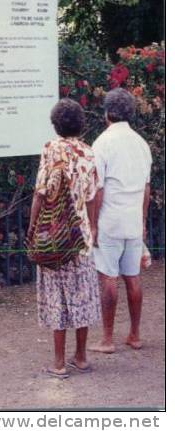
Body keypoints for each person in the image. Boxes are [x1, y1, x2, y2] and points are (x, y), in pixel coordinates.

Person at [30, 98, 100, 378]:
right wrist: (92, 228)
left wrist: (32, 225)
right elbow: (93, 196)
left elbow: (40, 192)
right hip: (79, 235)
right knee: (80, 295)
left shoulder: (51, 148)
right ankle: (80, 357)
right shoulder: (89, 152)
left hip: (54, 234)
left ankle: (58, 363)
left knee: (57, 295)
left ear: (55, 123)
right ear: (81, 123)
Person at [89, 88, 152, 353]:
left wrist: (92, 224)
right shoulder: (141, 143)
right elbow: (147, 188)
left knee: (108, 278)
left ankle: (106, 339)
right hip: (133, 219)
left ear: (107, 114)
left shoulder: (102, 143)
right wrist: (143, 219)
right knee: (133, 277)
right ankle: (135, 335)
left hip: (110, 219)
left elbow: (97, 190)